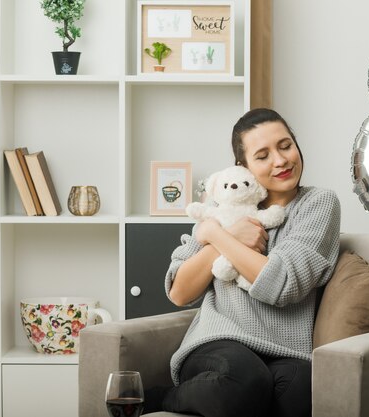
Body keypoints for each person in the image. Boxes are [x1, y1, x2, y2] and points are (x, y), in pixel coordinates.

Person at [146, 108, 341, 417]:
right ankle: (162, 398)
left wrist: (217, 236)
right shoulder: (222, 205)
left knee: (303, 386)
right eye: (262, 155)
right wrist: (223, 235)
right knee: (244, 380)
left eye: (285, 145)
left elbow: (283, 285)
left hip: (286, 351)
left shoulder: (319, 203)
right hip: (219, 341)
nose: (280, 161)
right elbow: (179, 291)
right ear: (244, 166)